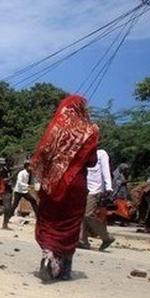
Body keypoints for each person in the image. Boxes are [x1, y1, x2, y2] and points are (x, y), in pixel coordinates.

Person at [31, 95, 98, 281]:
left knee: (49, 220)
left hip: (52, 183)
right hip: (75, 184)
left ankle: (49, 256)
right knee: (70, 224)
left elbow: (42, 154)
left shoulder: (55, 129)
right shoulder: (90, 131)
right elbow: (92, 161)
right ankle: (65, 269)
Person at [79, 148, 115, 251]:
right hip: (83, 189)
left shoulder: (101, 153)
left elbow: (105, 170)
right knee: (81, 215)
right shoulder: (83, 153)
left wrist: (108, 187)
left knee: (88, 214)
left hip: (95, 190)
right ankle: (82, 241)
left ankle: (106, 237)